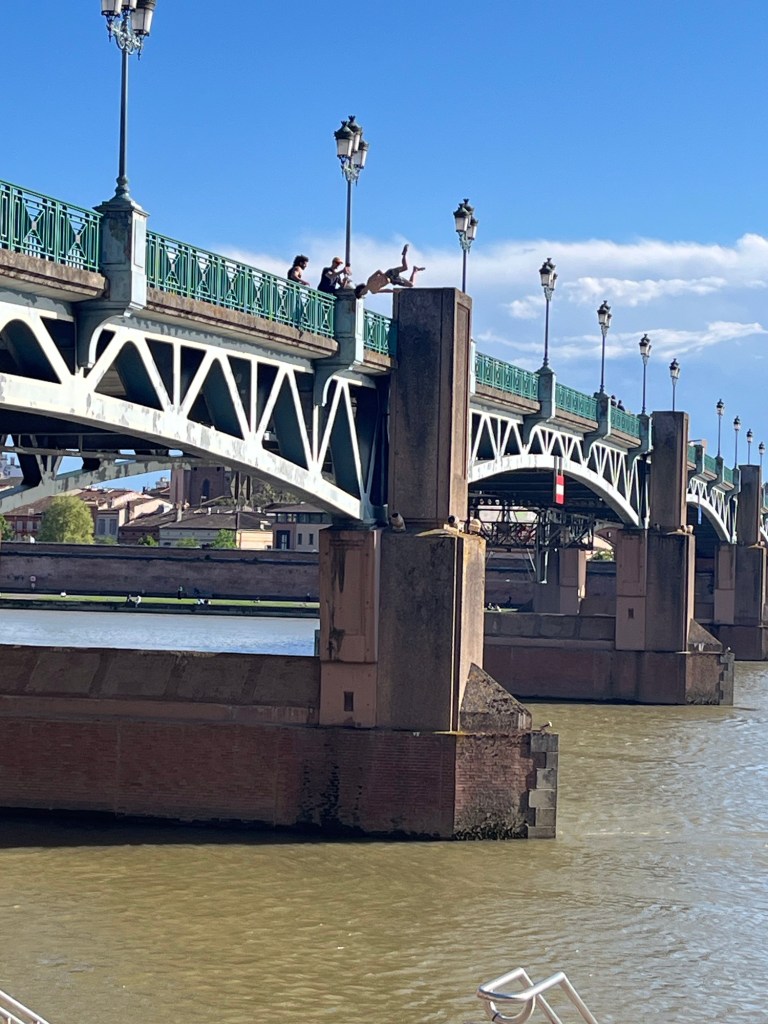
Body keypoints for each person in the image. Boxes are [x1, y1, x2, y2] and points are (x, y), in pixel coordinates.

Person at [354, 244, 425, 297]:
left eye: (361, 294)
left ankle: (404, 255)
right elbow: (385, 291)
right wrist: (393, 291)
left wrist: (384, 277)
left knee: (405, 268)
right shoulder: (373, 291)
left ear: (361, 290)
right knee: (410, 283)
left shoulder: (369, 280)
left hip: (389, 274)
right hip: (392, 280)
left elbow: (378, 271)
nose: (363, 294)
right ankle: (415, 270)